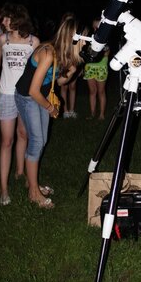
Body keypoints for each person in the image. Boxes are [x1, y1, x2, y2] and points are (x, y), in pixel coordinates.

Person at [15, 17, 87, 209]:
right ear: (73, 38)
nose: (87, 41)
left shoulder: (65, 56)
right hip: (27, 97)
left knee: (42, 140)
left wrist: (71, 72)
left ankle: (31, 182)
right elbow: (32, 90)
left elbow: (59, 81)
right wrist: (51, 107)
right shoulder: (47, 53)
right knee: (37, 141)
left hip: (41, 96)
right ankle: (33, 192)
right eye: (85, 38)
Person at [0, 3, 40, 206]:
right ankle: (4, 189)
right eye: (2, 18)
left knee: (24, 134)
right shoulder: (3, 39)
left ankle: (21, 173)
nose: (2, 22)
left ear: (18, 18)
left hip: (26, 95)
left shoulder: (33, 41)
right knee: (6, 141)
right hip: (7, 94)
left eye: (6, 18)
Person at [83, 17, 110, 120]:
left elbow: (107, 53)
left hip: (101, 67)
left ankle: (102, 115)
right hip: (90, 67)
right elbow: (86, 52)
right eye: (94, 27)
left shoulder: (106, 37)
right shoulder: (90, 38)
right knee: (92, 91)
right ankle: (92, 113)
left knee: (101, 91)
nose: (95, 29)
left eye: (97, 26)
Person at [59, 12, 79, 119]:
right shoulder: (61, 36)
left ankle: (72, 110)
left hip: (74, 64)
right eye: (67, 20)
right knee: (64, 87)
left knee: (73, 87)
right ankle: (65, 110)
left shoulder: (76, 36)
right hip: (64, 64)